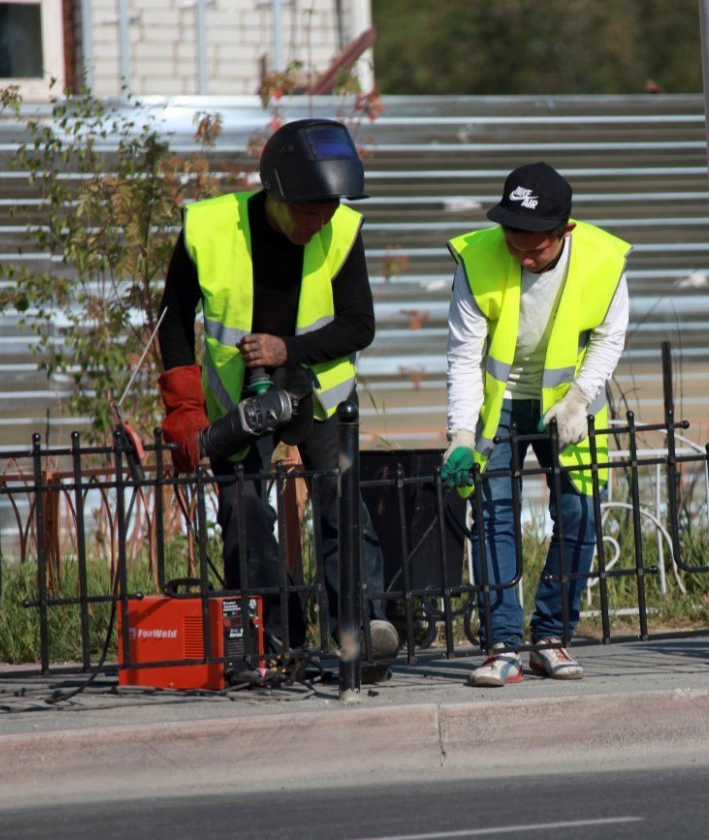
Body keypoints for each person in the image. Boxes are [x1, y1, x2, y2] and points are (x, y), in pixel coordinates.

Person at [156, 118, 398, 682]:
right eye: (307, 210)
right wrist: (185, 408)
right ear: (276, 191)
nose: (319, 222)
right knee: (244, 514)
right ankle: (265, 644)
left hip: (318, 390)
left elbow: (359, 325)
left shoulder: (341, 230)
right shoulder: (209, 229)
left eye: (329, 209)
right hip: (236, 397)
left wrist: (287, 347)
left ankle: (361, 636)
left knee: (342, 509)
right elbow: (172, 322)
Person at [440, 162, 631, 687]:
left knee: (579, 513)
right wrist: (460, 434)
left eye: (536, 248)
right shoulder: (476, 260)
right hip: (497, 407)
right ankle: (501, 646)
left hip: (570, 404)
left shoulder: (602, 260)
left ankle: (551, 638)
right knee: (495, 515)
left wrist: (578, 400)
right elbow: (463, 356)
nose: (523, 256)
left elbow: (608, 339)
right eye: (513, 242)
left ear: (563, 231)